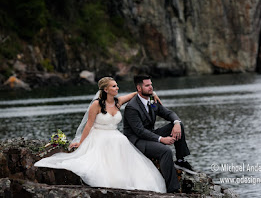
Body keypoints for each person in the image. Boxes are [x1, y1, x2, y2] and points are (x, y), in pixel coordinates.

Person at [34, 77, 166, 193]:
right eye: (114, 86)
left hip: (117, 138)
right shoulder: (96, 104)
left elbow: (134, 94)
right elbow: (88, 125)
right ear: (106, 89)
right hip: (99, 137)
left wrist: (152, 94)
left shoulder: (117, 102)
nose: (117, 88)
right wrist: (81, 142)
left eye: (116, 85)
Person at [123, 75, 193, 193]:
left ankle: (181, 160)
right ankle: (173, 189)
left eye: (151, 84)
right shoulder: (132, 107)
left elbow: (167, 113)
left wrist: (176, 122)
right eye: (147, 85)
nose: (151, 87)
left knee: (178, 125)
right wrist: (161, 139)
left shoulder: (151, 100)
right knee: (165, 151)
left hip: (150, 135)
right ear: (139, 88)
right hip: (137, 142)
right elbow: (139, 131)